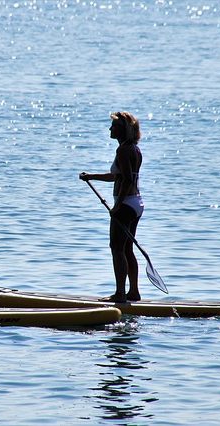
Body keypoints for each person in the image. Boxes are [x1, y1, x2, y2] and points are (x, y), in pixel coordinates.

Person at [79, 111, 144, 303]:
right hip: (136, 204)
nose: (110, 128)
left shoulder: (123, 150)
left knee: (117, 248)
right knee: (127, 249)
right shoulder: (133, 149)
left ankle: (120, 294)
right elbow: (117, 176)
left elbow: (126, 179)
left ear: (122, 130)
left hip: (125, 205)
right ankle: (133, 292)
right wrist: (91, 177)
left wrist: (118, 204)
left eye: (114, 126)